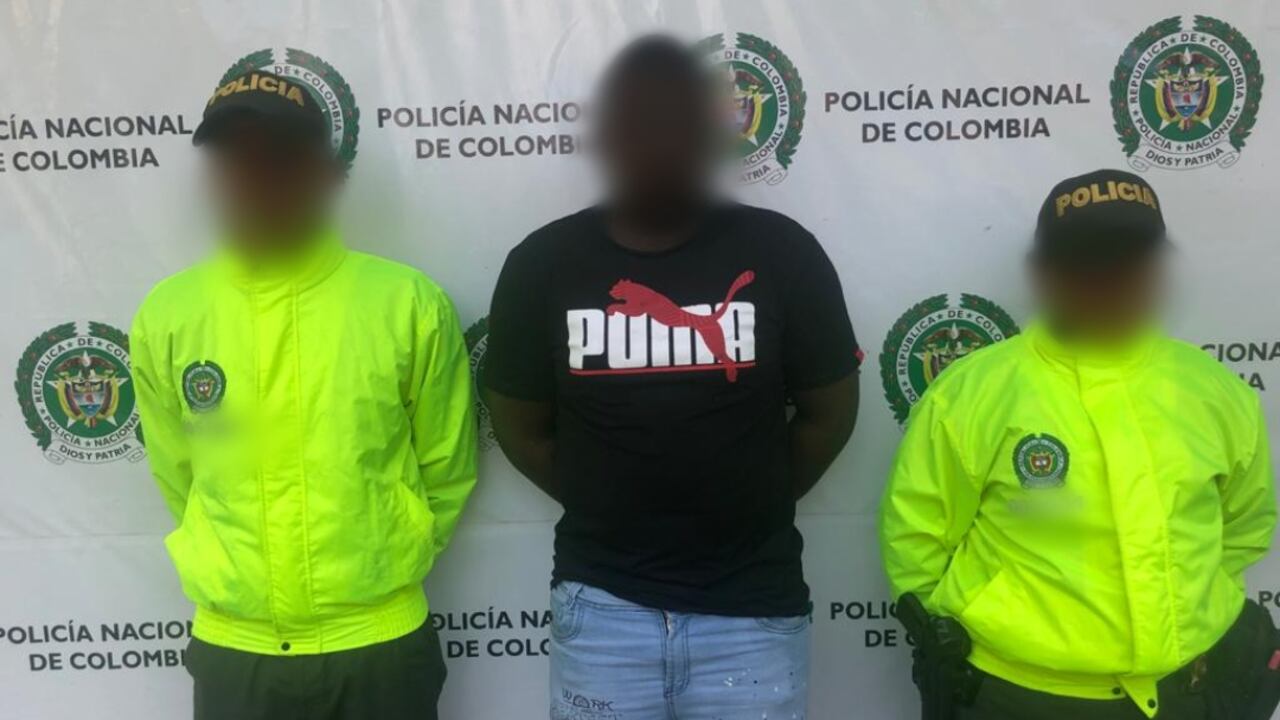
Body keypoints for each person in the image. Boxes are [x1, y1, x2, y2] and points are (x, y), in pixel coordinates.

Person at [483, 36, 861, 719]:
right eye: (639, 121)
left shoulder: (782, 252)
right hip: (601, 609)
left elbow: (829, 413)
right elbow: (517, 421)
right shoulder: (543, 263)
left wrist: (754, 498)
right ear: (608, 138)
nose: (658, 141)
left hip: (752, 613)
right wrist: (605, 501)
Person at [130, 68, 477, 720]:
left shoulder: (407, 304)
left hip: (378, 644)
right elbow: (177, 472)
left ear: (327, 175)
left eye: (282, 157)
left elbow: (446, 466)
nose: (258, 177)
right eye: (237, 160)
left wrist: (392, 547)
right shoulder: (169, 314)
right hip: (237, 652)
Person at [880, 169, 1278, 719]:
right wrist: (980, 625)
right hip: (1015, 694)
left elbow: (1243, 526)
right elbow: (916, 536)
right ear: (1048, 275)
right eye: (1085, 261)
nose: (1109, 279)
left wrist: (1187, 610)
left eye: (1130, 261)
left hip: (1186, 690)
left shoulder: (1214, 391)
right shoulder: (974, 393)